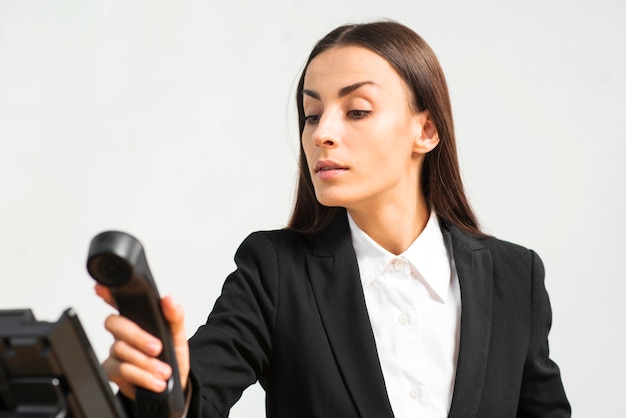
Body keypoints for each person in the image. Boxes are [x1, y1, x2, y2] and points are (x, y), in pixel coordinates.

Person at [96, 20, 571, 417]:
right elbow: (197, 393)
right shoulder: (275, 269)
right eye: (310, 113)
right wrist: (166, 386)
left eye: (357, 110)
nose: (322, 133)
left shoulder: (515, 276)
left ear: (425, 130)